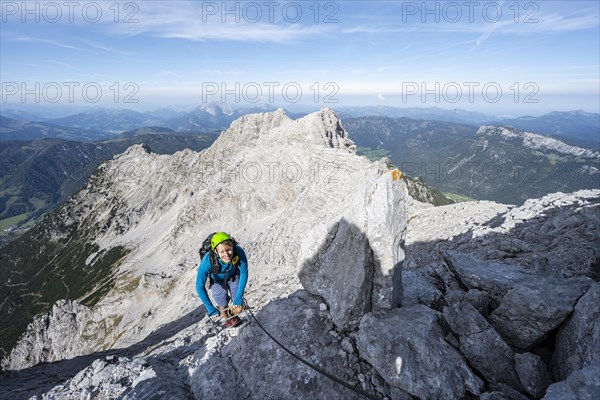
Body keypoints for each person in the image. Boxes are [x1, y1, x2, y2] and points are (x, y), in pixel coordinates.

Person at [195, 232, 248, 324]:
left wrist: (238, 298)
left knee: (239, 308)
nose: (226, 254)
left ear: (232, 247)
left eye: (228, 250)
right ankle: (228, 319)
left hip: (233, 276)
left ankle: (233, 315)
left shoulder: (238, 251)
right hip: (217, 281)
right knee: (222, 305)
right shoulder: (207, 261)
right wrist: (210, 308)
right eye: (222, 252)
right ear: (216, 251)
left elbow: (244, 272)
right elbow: (199, 285)